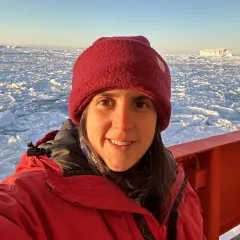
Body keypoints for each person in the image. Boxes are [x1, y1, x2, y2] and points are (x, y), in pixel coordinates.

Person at [0, 36, 204, 240]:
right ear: (84, 115)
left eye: (140, 104)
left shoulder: (177, 188)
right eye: (106, 102)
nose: (123, 124)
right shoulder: (31, 203)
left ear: (157, 119)